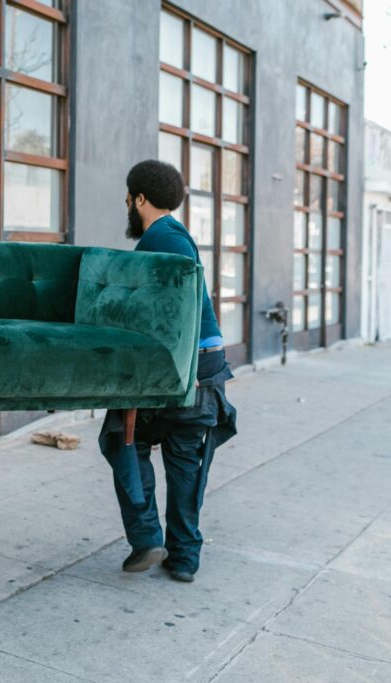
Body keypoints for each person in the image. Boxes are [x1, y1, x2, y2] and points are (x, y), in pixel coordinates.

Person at [98, 160, 237, 583]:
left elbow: (182, 307)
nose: (126, 203)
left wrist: (184, 367)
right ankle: (183, 557)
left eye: (128, 196)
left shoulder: (163, 239)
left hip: (185, 369)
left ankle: (147, 537)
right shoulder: (174, 236)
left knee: (122, 438)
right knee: (184, 461)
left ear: (139, 198)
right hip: (201, 367)